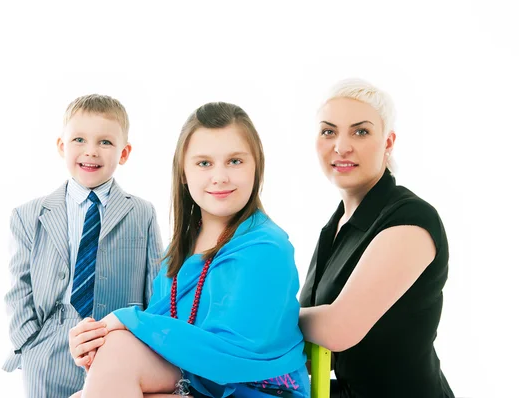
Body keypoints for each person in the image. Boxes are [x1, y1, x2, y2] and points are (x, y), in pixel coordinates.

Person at [68, 102, 310, 398]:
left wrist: (126, 321)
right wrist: (96, 340)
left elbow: (233, 356)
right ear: (184, 173)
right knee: (101, 372)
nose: (219, 176)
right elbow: (157, 336)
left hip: (255, 388)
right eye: (204, 163)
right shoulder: (179, 250)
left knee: (114, 359)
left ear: (256, 166)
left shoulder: (267, 248)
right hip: (197, 381)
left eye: (235, 161)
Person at [298, 79, 455, 397]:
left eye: (360, 131)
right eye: (329, 131)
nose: (341, 146)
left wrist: (256, 314)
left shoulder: (411, 220)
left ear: (388, 142)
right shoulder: (335, 227)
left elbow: (336, 329)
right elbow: (301, 332)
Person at [2, 94, 163, 398]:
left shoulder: (141, 212)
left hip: (117, 347)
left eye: (105, 142)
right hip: (50, 352)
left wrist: (148, 345)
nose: (91, 151)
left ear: (124, 153)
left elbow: (155, 287)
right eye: (79, 139)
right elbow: (19, 287)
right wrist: (29, 345)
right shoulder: (28, 215)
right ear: (62, 146)